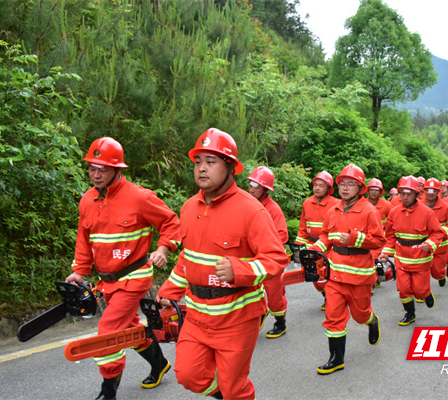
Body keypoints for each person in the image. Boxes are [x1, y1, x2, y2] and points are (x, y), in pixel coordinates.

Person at [156, 128, 287, 400]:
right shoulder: (189, 207)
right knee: (188, 375)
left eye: (211, 162)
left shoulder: (252, 210)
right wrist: (170, 290)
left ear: (230, 167)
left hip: (237, 318)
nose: (202, 169)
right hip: (196, 313)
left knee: (235, 387)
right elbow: (187, 258)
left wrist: (240, 270)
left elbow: (276, 258)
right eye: (198, 162)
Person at [65, 137, 182, 400]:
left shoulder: (140, 197)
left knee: (107, 332)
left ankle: (108, 393)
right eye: (92, 168)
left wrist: (163, 249)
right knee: (129, 329)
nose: (96, 174)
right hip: (106, 282)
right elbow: (84, 240)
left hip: (135, 278)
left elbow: (172, 223)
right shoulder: (87, 200)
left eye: (102, 169)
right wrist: (80, 271)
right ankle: (159, 364)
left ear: (118, 169)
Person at [308, 164, 385, 375]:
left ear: (360, 188)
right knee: (333, 317)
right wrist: (315, 249)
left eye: (351, 184)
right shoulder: (332, 211)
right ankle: (336, 358)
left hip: (359, 277)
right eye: (342, 183)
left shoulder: (369, 211)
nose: (345, 188)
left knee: (360, 315)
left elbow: (379, 241)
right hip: (335, 277)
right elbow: (326, 237)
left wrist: (356, 239)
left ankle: (372, 320)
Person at [380, 176, 443, 326]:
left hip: (421, 259)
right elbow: (390, 236)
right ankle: (410, 313)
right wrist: (385, 252)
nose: (405, 197)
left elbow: (438, 233)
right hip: (401, 258)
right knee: (403, 289)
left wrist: (430, 243)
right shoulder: (394, 212)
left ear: (417, 194)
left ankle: (426, 294)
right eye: (403, 193)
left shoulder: (427, 212)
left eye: (409, 194)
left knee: (420, 291)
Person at [247, 166, 289, 338]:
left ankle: (280, 323)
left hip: (270, 259)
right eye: (250, 184)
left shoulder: (273, 209)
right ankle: (258, 315)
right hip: (251, 258)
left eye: (256, 185)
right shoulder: (246, 205)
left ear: (265, 189)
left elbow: (282, 235)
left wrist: (262, 246)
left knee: (275, 293)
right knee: (250, 291)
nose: (252, 188)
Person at [294, 171, 340, 310]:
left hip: (328, 247)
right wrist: (298, 247)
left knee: (327, 275)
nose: (317, 188)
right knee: (314, 278)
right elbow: (303, 227)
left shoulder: (336, 204)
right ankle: (326, 295)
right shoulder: (307, 203)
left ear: (328, 189)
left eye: (321, 185)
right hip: (311, 246)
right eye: (316, 185)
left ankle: (332, 298)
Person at [421, 178, 448, 287]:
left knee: (437, 272)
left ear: (438, 192)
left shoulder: (446, 207)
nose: (431, 193)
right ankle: (423, 293)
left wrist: (442, 232)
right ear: (424, 191)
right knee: (421, 271)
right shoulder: (418, 205)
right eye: (428, 190)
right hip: (422, 245)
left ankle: (442, 275)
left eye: (434, 190)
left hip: (440, 246)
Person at [367, 178, 393, 290]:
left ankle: (374, 280)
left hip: (380, 238)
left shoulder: (386, 205)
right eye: (371, 189)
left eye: (376, 190)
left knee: (374, 259)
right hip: (366, 238)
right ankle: (372, 280)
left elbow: (393, 220)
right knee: (368, 259)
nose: (373, 192)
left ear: (380, 191)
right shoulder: (362, 203)